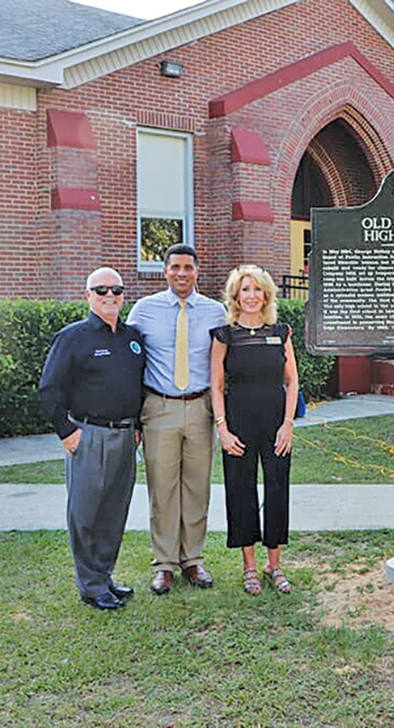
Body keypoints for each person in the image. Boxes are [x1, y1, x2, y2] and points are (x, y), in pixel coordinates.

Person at [39, 267, 145, 610]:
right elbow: (49, 389)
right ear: (88, 296)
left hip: (126, 436)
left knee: (114, 511)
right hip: (89, 436)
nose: (110, 296)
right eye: (101, 291)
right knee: (85, 513)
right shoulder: (73, 337)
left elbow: (138, 386)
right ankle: (91, 585)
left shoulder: (132, 337)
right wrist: (67, 432)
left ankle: (105, 575)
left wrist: (139, 424)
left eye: (116, 289)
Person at [127, 244, 226, 595]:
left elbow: (228, 361)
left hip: (200, 408)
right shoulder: (143, 310)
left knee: (197, 487)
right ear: (164, 271)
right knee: (163, 488)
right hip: (160, 407)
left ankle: (193, 560)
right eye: (175, 268)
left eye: (188, 267)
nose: (182, 274)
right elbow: (128, 361)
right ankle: (164, 564)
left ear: (198, 271)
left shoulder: (216, 312)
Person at [211, 265, 299, 596]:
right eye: (244, 290)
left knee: (277, 488)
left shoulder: (282, 332)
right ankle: (249, 566)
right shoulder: (224, 336)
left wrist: (287, 425)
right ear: (236, 296)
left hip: (276, 422)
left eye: (257, 289)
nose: (251, 296)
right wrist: (223, 429)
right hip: (237, 423)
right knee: (240, 489)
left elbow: (292, 383)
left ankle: (273, 565)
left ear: (266, 295)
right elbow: (216, 387)